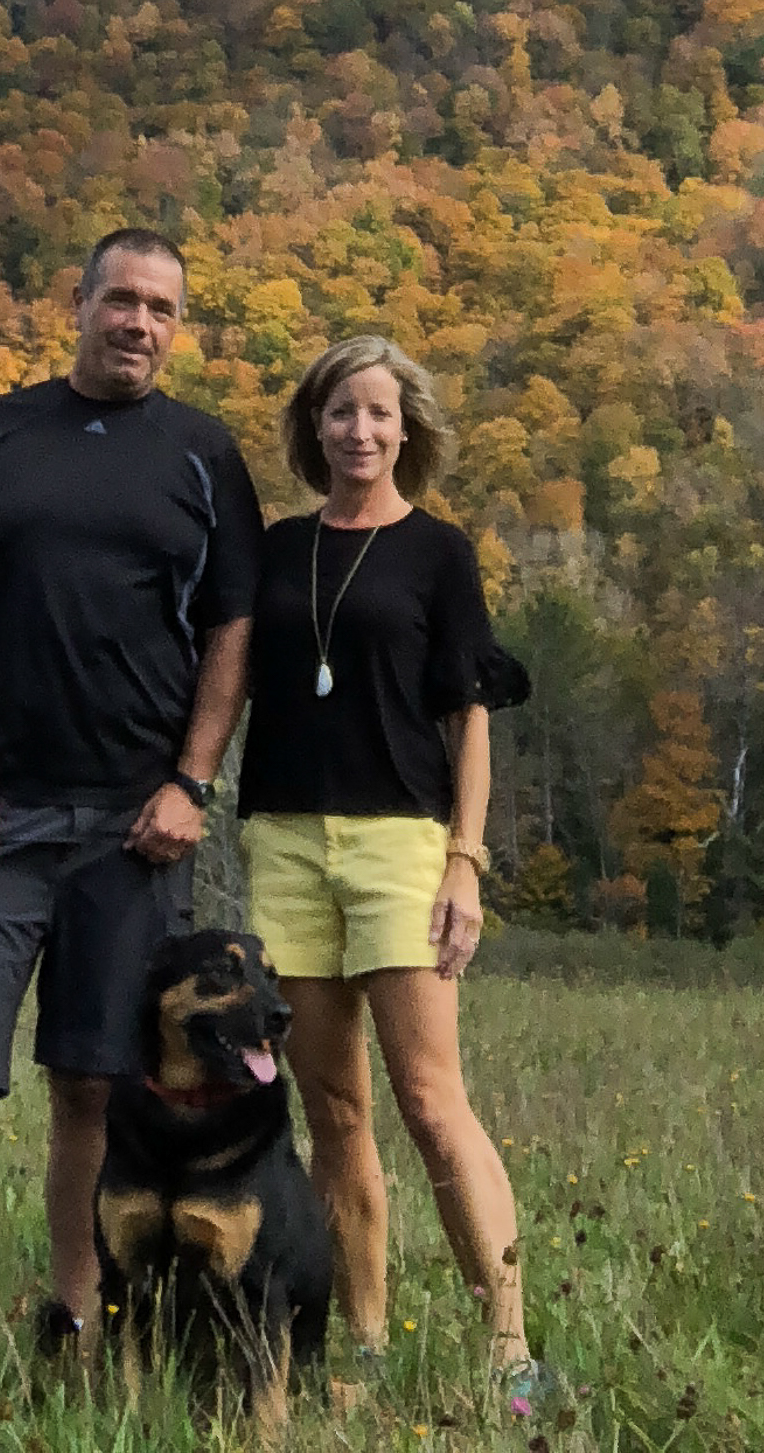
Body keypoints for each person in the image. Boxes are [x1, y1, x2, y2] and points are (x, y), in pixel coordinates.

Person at [0, 226, 263, 1365]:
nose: (139, 323)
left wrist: (194, 779)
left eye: (163, 310)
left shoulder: (203, 454)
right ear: (76, 304)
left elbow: (235, 629)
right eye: (121, 300)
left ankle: (81, 1329)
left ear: (180, 328)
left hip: (138, 832)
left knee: (97, 1083)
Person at [234, 334, 543, 1399]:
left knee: (426, 1096)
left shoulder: (438, 553)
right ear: (312, 430)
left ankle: (509, 1347)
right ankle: (355, 1347)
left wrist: (466, 860)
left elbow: (470, 716)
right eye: (338, 413)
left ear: (407, 429)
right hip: (281, 844)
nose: (358, 430)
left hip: (403, 844)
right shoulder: (275, 549)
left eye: (377, 413)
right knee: (333, 1110)